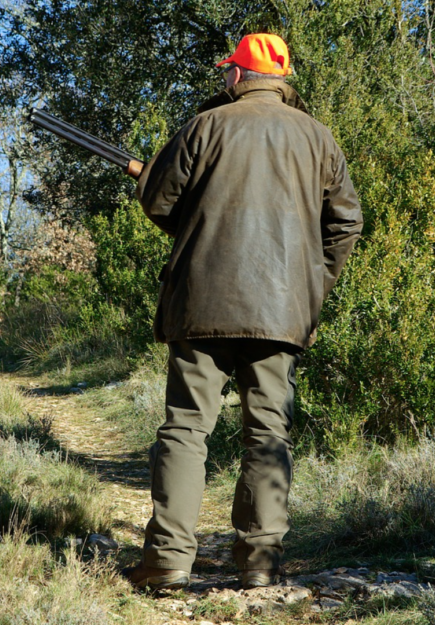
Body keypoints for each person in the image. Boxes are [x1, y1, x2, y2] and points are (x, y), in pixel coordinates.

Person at [123, 33, 362, 591]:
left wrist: (196, 230)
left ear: (237, 75)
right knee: (268, 434)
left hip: (200, 305)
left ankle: (167, 563)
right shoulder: (319, 138)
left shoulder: (206, 126)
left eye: (227, 71)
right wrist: (311, 286)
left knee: (186, 430)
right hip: (283, 312)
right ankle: (259, 563)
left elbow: (160, 201)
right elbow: (346, 224)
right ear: (282, 79)